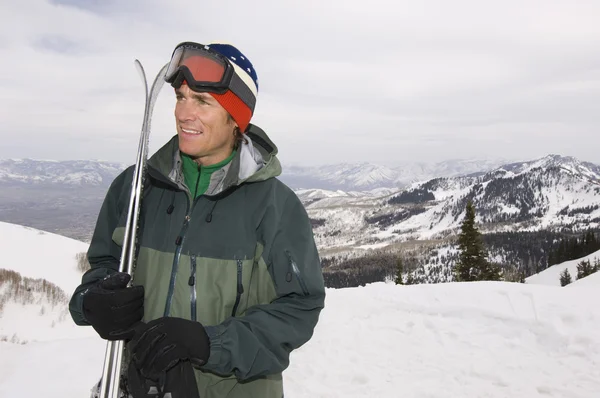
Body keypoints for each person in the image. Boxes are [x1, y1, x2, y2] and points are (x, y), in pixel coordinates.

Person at [69, 41, 326, 398]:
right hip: (139, 385)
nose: (184, 113)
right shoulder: (136, 185)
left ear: (236, 118)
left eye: (202, 101)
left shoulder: (275, 206)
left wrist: (210, 343)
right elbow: (102, 266)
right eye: (180, 97)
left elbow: (300, 308)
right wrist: (92, 300)